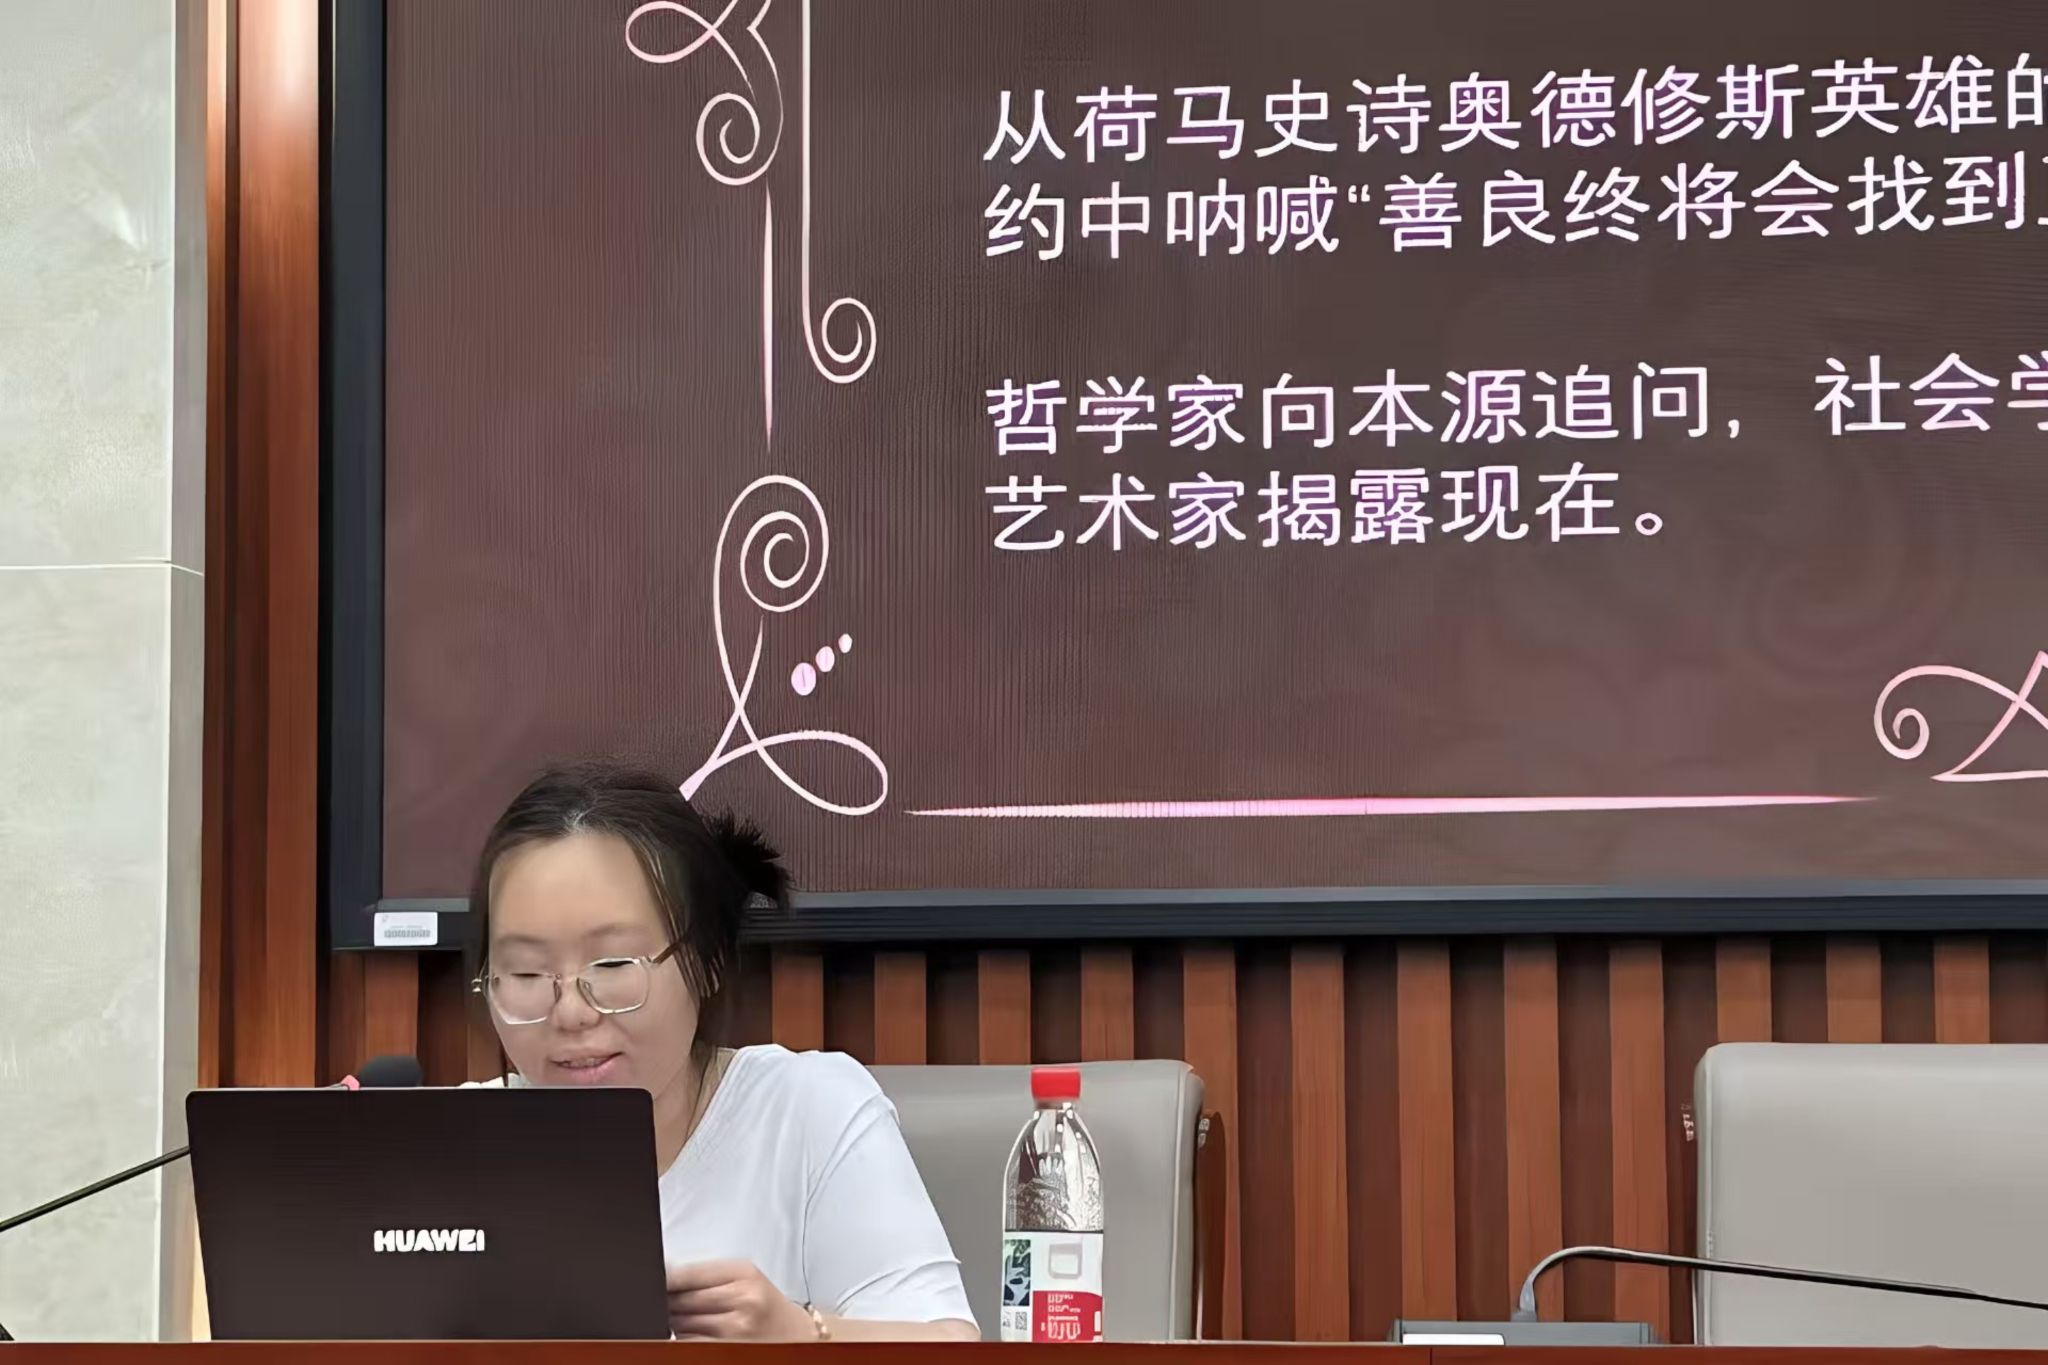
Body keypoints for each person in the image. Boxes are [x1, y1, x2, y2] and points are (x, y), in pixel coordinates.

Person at [463, 760, 977, 1342]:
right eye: (526, 974)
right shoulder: (454, 1144)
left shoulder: (806, 1111)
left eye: (612, 965)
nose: (571, 1013)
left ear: (705, 961)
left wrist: (801, 1336)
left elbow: (949, 1346)